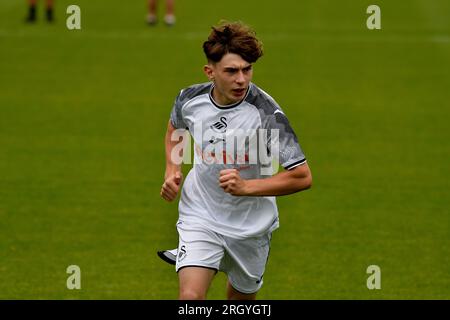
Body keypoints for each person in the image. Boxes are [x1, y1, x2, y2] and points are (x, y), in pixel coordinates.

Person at [160, 21, 312, 300]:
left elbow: (302, 176)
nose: (241, 79)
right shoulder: (189, 99)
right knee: (190, 299)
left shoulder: (267, 114)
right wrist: (173, 170)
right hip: (200, 214)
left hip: (251, 227)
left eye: (247, 69)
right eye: (231, 71)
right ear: (210, 72)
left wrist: (246, 187)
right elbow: (176, 127)